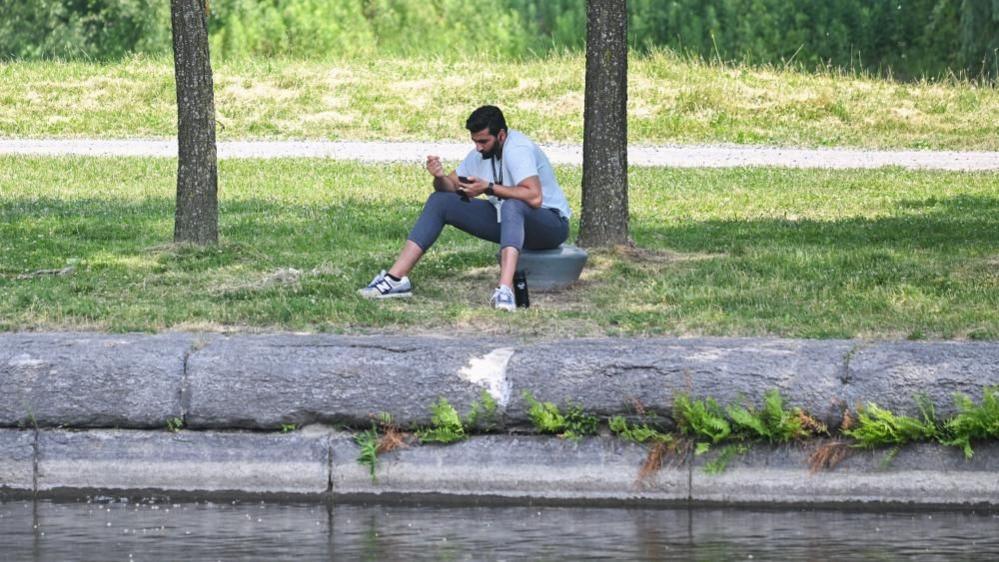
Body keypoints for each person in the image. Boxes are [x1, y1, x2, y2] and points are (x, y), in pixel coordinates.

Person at [359, 105, 571, 311]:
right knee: (440, 200)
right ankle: (395, 279)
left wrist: (488, 187)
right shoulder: (480, 154)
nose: (478, 147)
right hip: (508, 221)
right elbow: (450, 187)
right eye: (474, 141)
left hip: (550, 225)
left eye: (483, 141)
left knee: (512, 205)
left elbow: (534, 197)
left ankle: (505, 290)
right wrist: (440, 177)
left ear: (502, 136)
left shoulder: (518, 149)